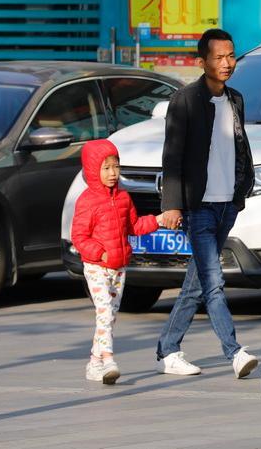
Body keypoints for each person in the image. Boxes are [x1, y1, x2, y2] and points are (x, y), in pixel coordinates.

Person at [155, 28, 259, 379]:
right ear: (202, 62)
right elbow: (172, 155)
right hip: (199, 206)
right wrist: (172, 204)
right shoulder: (184, 100)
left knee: (197, 283)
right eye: (218, 57)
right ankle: (234, 352)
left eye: (230, 56)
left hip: (227, 204)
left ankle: (169, 349)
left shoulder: (235, 99)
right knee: (213, 281)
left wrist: (242, 191)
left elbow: (239, 147)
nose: (226, 63)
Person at [72, 139, 177, 384]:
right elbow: (79, 236)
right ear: (93, 170)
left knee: (109, 316)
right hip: (97, 267)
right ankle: (109, 360)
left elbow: (134, 226)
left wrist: (158, 220)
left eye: (116, 166)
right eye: (106, 168)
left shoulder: (123, 198)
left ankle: (94, 363)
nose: (113, 173)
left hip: (119, 268)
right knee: (104, 312)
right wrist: (100, 254)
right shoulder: (87, 201)